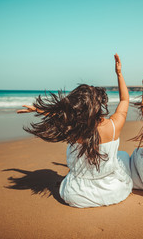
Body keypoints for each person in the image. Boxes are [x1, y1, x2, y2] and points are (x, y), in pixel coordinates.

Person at [17, 54, 133, 208]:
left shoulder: (73, 129)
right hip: (112, 191)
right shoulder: (113, 126)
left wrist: (38, 109)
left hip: (76, 195)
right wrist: (119, 73)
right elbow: (125, 100)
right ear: (98, 105)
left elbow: (63, 115)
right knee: (122, 156)